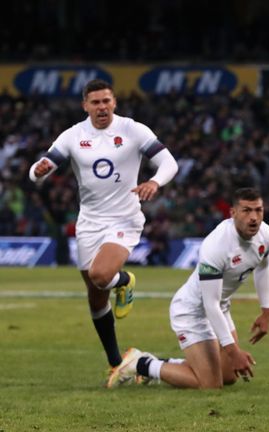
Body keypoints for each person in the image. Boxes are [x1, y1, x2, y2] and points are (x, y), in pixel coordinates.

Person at [28, 79, 178, 376]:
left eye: (106, 101)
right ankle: (115, 363)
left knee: (100, 275)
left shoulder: (133, 129)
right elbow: (38, 171)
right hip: (89, 223)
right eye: (95, 102)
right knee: (96, 296)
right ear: (85, 105)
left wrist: (153, 182)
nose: (102, 107)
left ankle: (123, 280)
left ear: (114, 102)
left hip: (124, 219)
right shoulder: (73, 136)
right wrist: (38, 170)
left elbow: (169, 163)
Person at [107, 187, 269, 389]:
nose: (254, 217)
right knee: (211, 384)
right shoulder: (216, 245)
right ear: (232, 213)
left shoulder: (265, 233)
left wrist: (267, 311)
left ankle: (173, 364)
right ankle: (140, 364)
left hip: (220, 307)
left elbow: (263, 268)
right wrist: (233, 351)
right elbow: (209, 304)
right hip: (192, 311)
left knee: (228, 376)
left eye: (258, 210)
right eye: (247, 210)